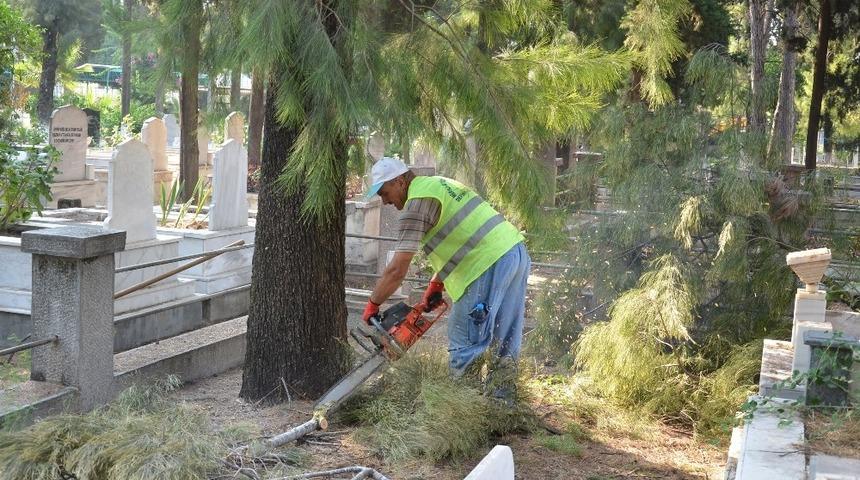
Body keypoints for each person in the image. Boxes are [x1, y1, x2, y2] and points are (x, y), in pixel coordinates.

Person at [362, 157, 530, 396]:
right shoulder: (437, 184)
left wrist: (373, 304)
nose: (385, 201)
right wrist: (436, 284)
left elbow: (397, 270)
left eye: (384, 193)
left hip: (484, 263)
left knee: (465, 341)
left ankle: (461, 408)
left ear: (399, 181)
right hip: (513, 251)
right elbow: (463, 236)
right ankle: (502, 403)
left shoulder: (416, 204)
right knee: (505, 338)